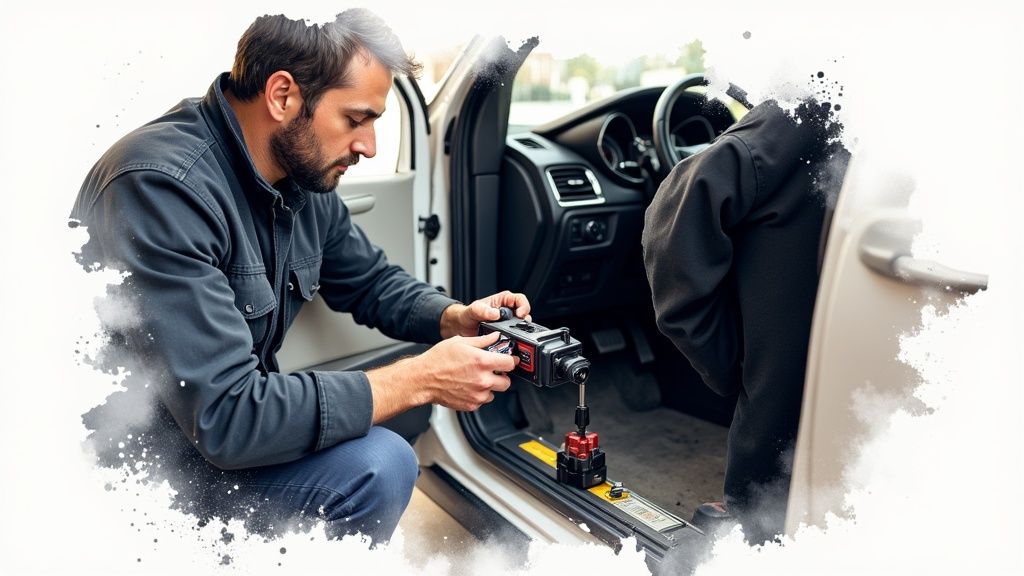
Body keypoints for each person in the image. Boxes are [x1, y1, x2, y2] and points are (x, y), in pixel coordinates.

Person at [71, 9, 530, 546]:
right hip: (149, 468)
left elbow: (369, 281)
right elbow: (228, 418)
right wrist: (421, 379)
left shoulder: (302, 179)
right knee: (380, 464)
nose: (370, 146)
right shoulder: (157, 190)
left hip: (219, 437)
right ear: (283, 96)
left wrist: (453, 318)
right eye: (357, 119)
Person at [642, 99, 848, 543]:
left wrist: (732, 366)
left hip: (780, 449)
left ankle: (753, 530)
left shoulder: (806, 105)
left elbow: (676, 223)